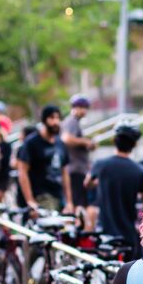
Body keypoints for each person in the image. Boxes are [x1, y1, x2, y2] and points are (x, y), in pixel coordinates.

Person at [87, 119, 143, 258]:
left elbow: (87, 184)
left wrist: (99, 182)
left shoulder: (100, 165)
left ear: (114, 140)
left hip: (104, 233)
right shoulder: (139, 171)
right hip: (128, 235)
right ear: (134, 144)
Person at [16, 105, 73, 214]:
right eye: (52, 118)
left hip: (58, 195)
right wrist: (30, 200)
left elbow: (65, 173)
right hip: (41, 197)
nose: (56, 122)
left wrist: (69, 201)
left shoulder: (60, 144)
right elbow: (22, 172)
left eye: (58, 118)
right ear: (44, 120)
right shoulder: (31, 143)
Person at [62, 95, 98, 227]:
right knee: (79, 205)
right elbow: (66, 139)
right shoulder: (71, 121)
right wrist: (86, 142)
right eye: (81, 107)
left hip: (80, 169)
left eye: (85, 108)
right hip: (75, 170)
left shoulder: (76, 122)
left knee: (82, 204)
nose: (84, 111)